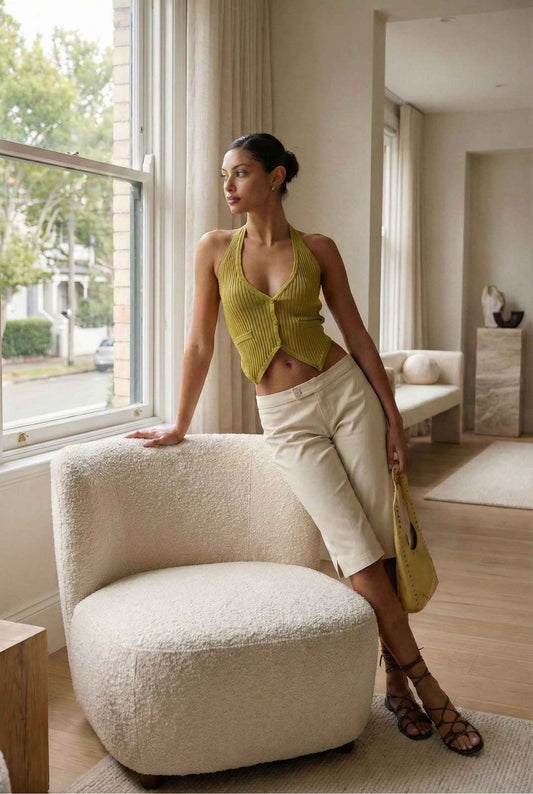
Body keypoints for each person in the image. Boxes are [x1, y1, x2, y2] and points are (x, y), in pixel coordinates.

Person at [125, 132, 483, 756]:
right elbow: (200, 346)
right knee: (356, 553)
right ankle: (429, 689)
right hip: (284, 418)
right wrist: (179, 424)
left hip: (346, 396)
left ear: (277, 176)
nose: (228, 186)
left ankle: (395, 688)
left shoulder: (317, 249)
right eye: (224, 176)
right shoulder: (213, 249)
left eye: (239, 173)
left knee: (385, 543)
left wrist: (394, 417)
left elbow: (358, 334)